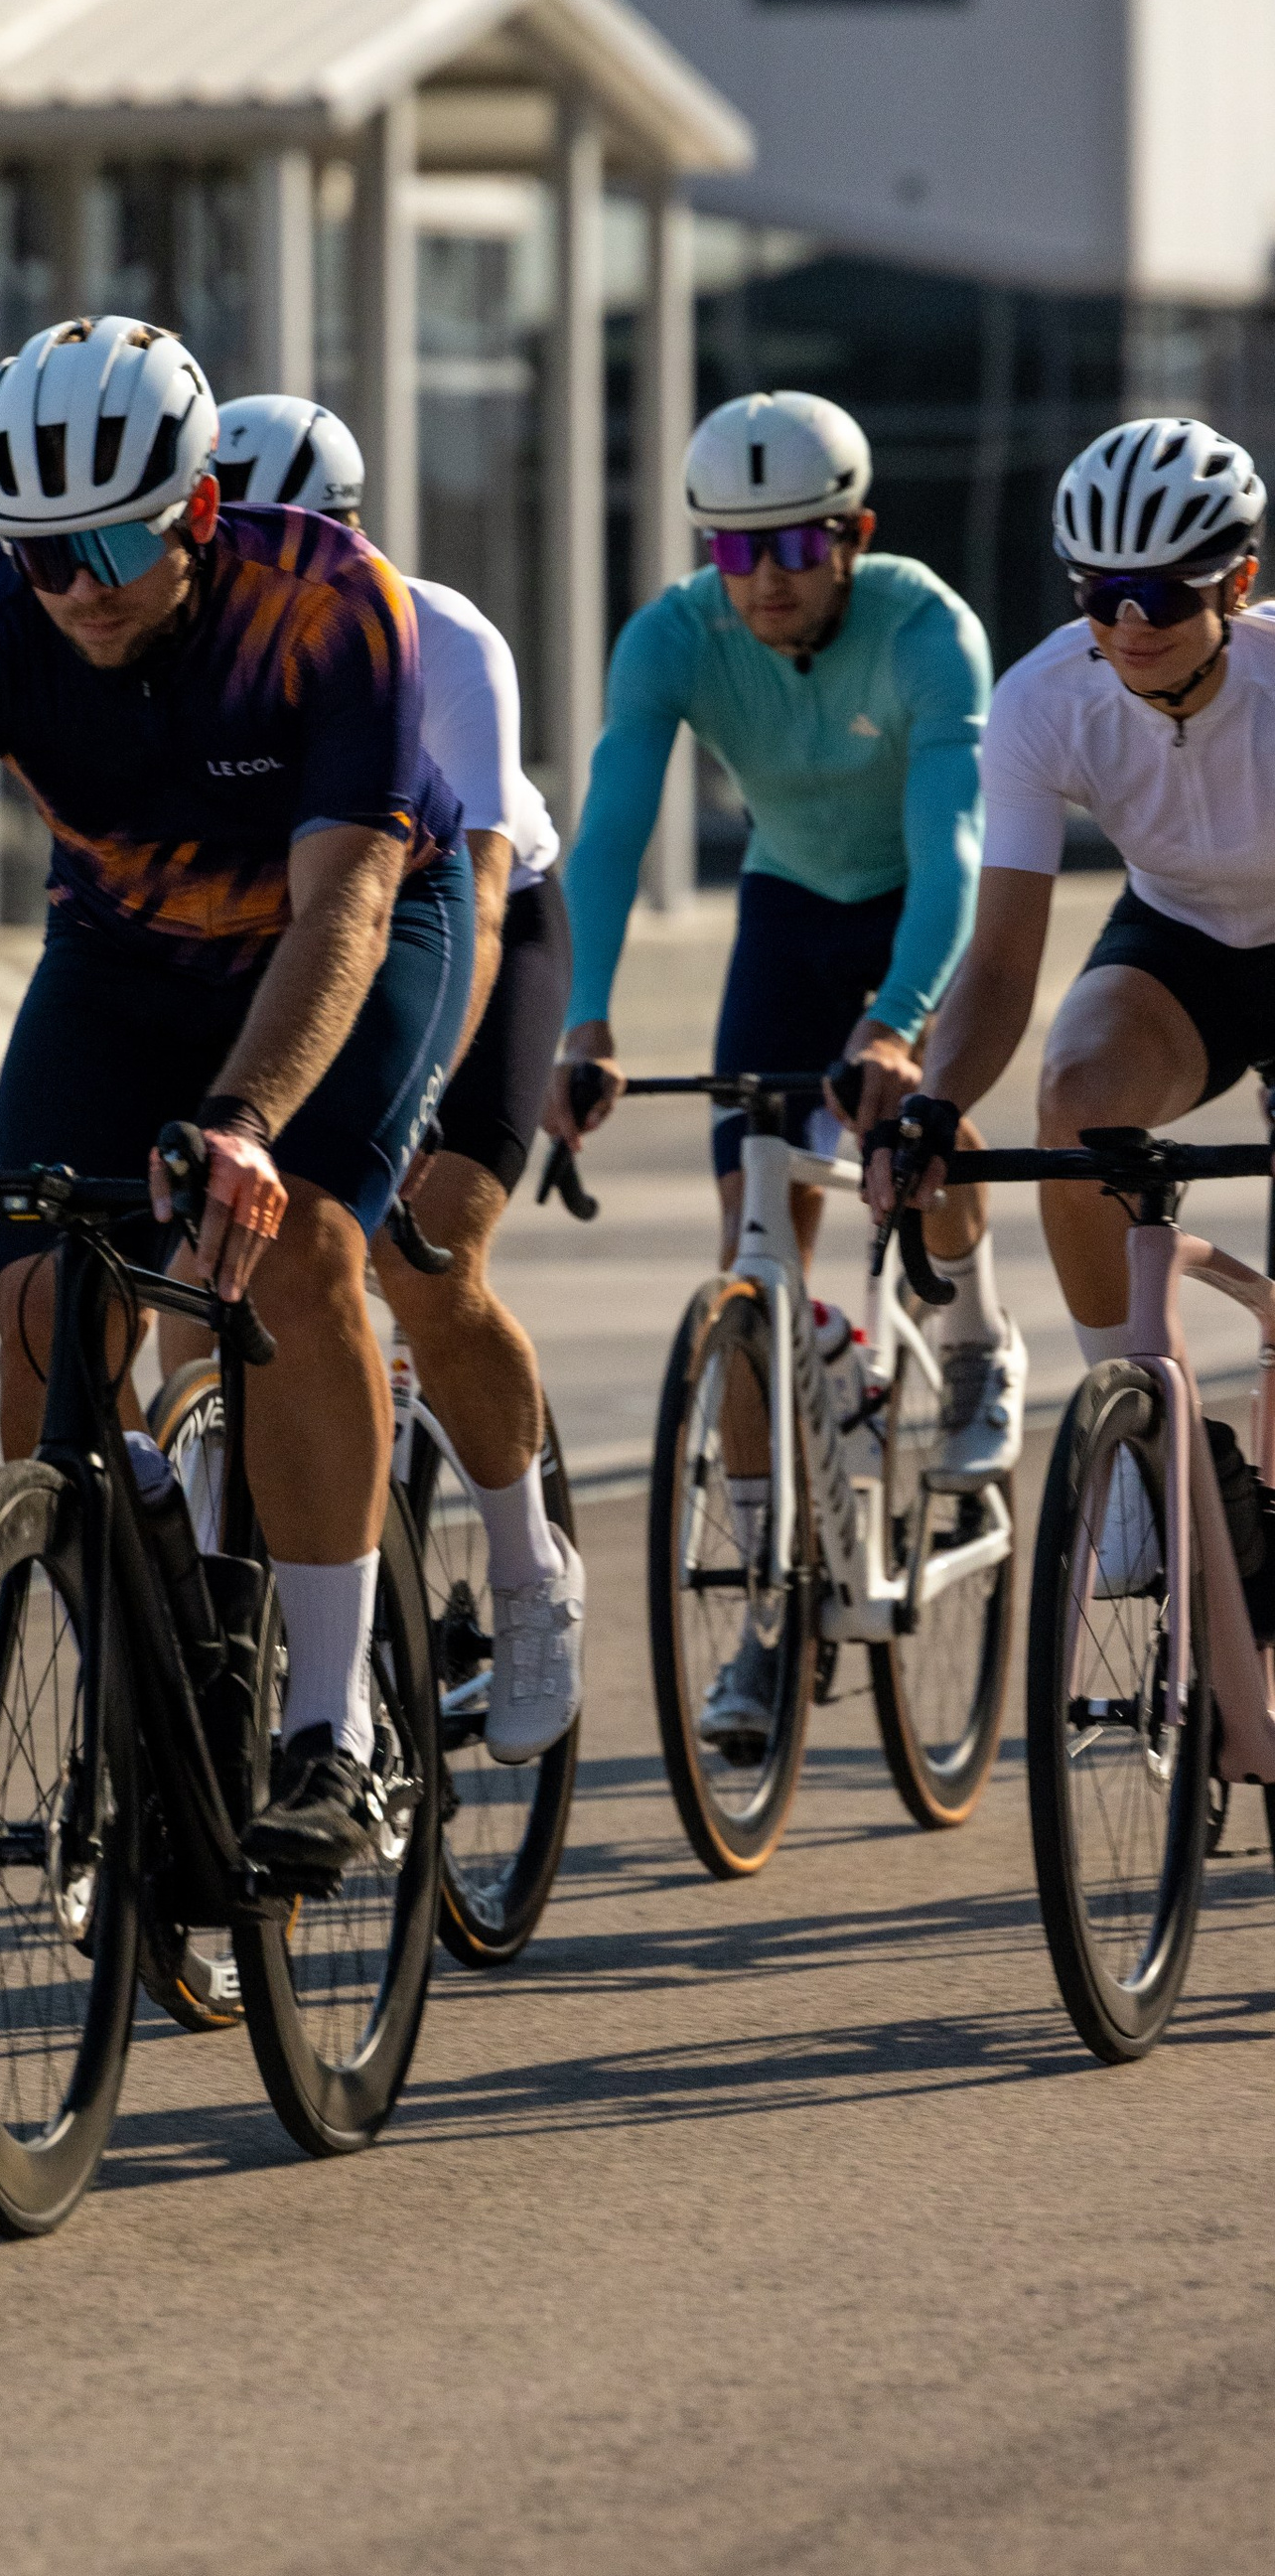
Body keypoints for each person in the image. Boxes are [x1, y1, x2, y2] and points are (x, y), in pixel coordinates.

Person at [0, 314, 477, 1890]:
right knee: (41, 1319)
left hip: (348, 932)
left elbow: (341, 907)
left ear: (200, 511)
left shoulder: (334, 607)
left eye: (109, 546)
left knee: (309, 1255)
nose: (70, 586)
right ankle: (149, 1632)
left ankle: (334, 1730)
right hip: (125, 953)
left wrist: (249, 1124)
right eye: (37, 551)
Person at [543, 386, 1013, 1754]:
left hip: (913, 913)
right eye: (732, 551)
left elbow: (959, 852)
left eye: (794, 549)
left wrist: (898, 1021)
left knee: (922, 1134)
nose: (762, 581)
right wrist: (585, 1017)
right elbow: (615, 831)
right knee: (755, 1264)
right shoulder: (673, 637)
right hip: (788, 913)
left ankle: (977, 1337)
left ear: (852, 536)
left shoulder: (930, 631)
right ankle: (766, 1617)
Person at [212, 392, 581, 1763]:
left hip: (473, 926)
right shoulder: (179, 649)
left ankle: (529, 1566)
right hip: (293, 942)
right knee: (207, 1271)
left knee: (427, 1260)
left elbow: (476, 904)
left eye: (302, 540)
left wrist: (407, 1109)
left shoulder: (445, 641)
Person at [872, 415, 1274, 1468]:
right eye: (1102, 593)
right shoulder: (1043, 700)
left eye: (1167, 595)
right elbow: (1002, 961)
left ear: (1236, 586)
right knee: (1078, 1098)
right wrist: (932, 1105)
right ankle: (1142, 1447)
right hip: (1178, 941)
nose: (1131, 622)